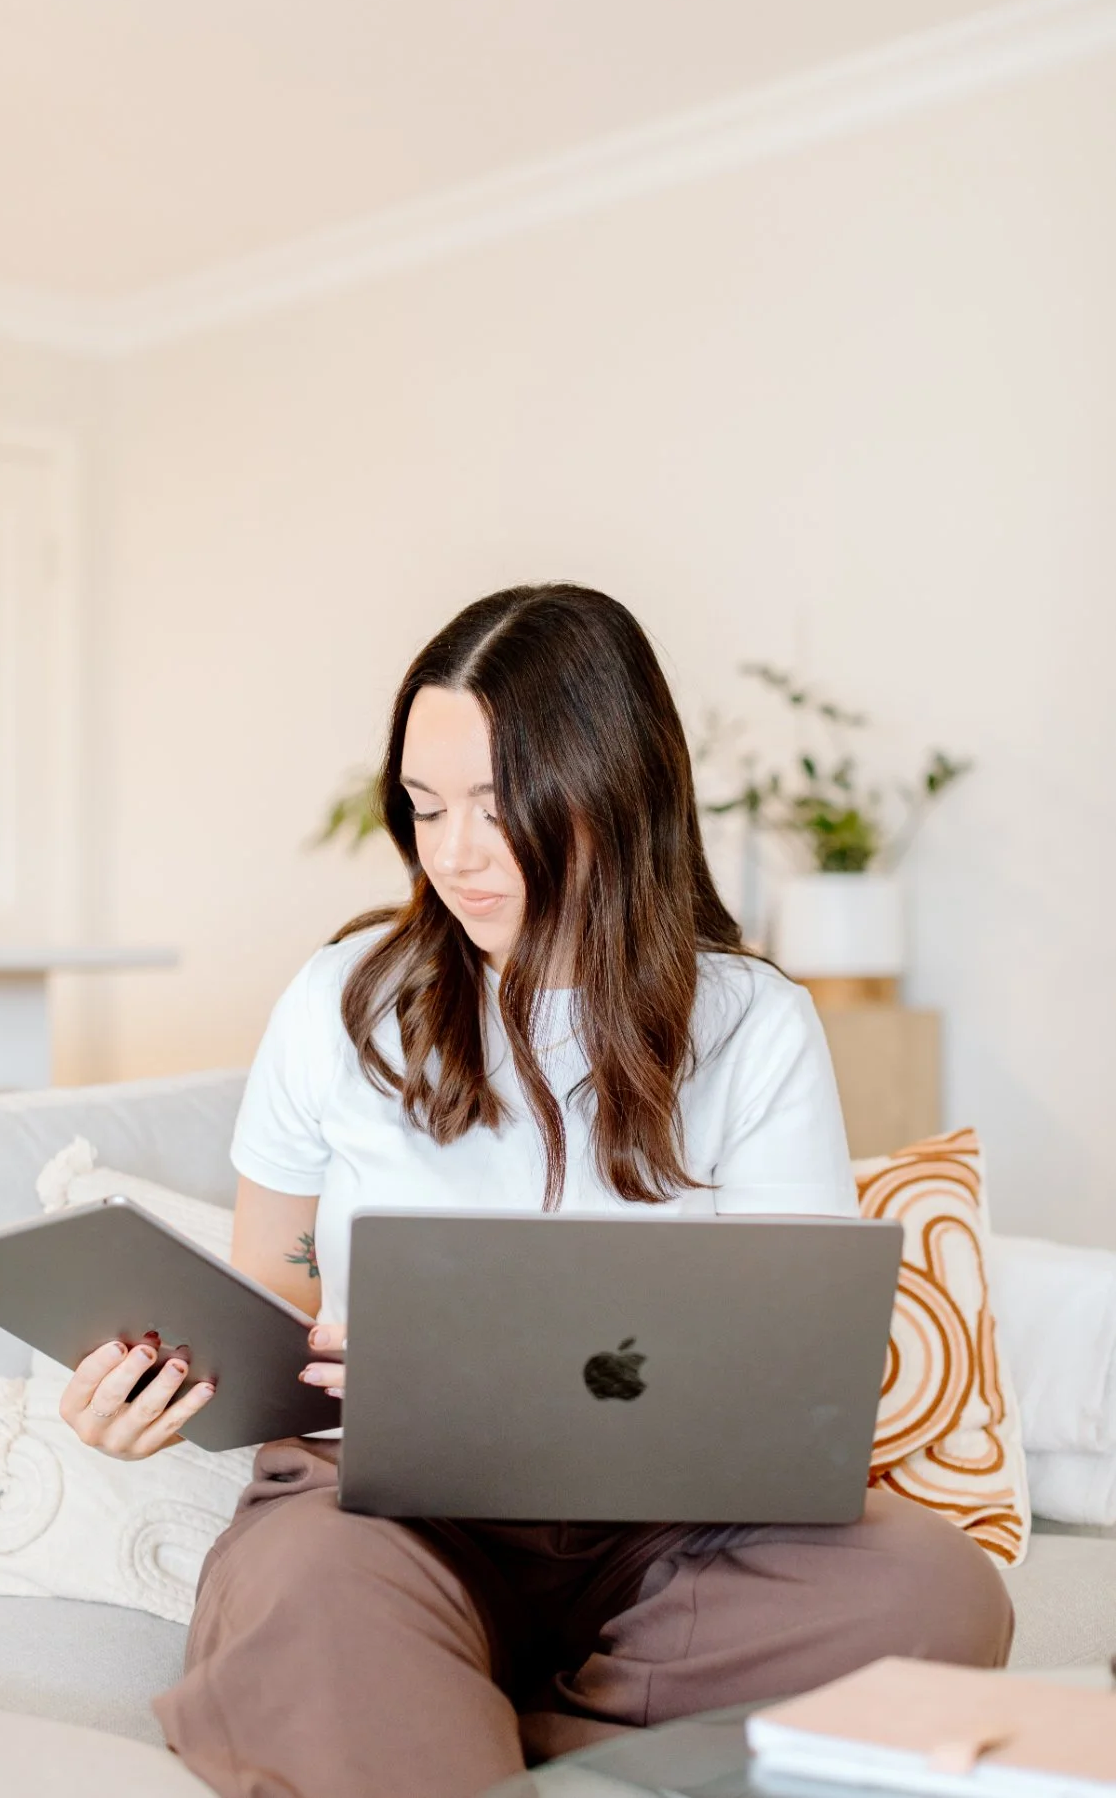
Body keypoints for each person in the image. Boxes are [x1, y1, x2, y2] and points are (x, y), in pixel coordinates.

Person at [60, 585, 1012, 1798]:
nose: (453, 853)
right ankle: (436, 1690)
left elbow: (792, 1368)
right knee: (308, 1593)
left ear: (614, 790)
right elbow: (269, 1291)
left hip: (662, 1531)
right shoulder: (342, 997)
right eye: (423, 807)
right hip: (377, 1511)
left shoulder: (750, 1023)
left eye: (499, 806)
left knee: (934, 1592)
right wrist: (164, 1388)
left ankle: (442, 1714)